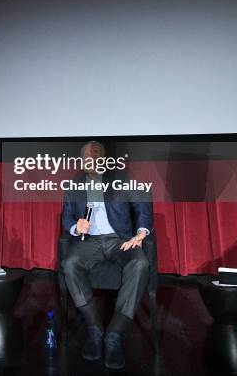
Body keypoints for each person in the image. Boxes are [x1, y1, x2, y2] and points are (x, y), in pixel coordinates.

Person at [61, 140, 153, 370]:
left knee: (140, 263)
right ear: (82, 161)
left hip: (119, 240)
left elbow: (142, 206)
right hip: (89, 241)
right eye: (89, 156)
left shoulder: (122, 180)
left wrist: (140, 233)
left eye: (98, 155)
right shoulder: (73, 186)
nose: (93, 159)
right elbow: (66, 218)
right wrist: (75, 227)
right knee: (70, 263)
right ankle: (94, 327)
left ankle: (114, 334)